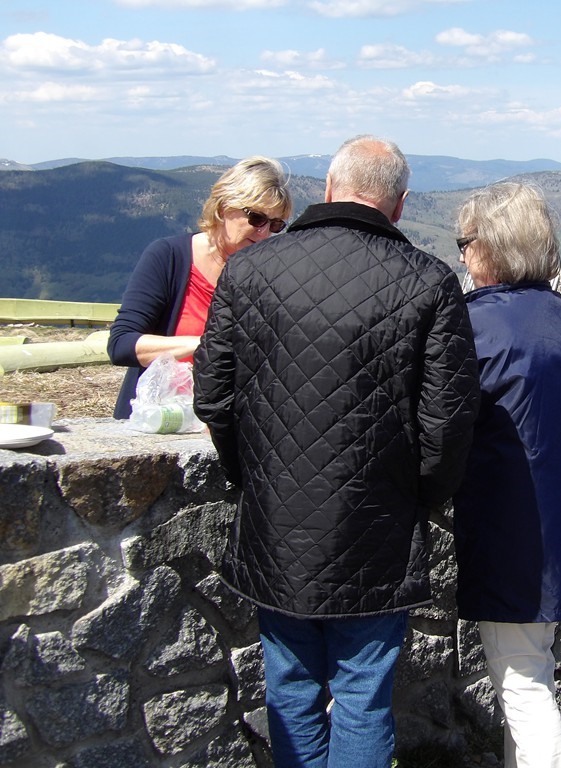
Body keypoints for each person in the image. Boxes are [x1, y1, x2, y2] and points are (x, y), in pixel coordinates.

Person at [191, 135, 480, 768]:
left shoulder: (249, 270)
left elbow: (212, 395)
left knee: (290, 688)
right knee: (362, 699)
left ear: (326, 188)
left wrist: (254, 477)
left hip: (276, 523)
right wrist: (418, 496)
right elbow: (449, 421)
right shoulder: (429, 282)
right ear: (399, 204)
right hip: (377, 525)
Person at [451, 182, 561, 768]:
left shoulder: (476, 325)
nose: (462, 255)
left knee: (522, 682)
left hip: (514, 532)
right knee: (531, 665)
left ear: (491, 246)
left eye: (465, 242)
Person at [107, 156, 292, 418]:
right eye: (256, 218)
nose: (264, 233)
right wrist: (208, 345)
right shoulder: (169, 257)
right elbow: (122, 345)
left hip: (227, 423)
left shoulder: (268, 274)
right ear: (224, 207)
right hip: (160, 419)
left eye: (275, 225)